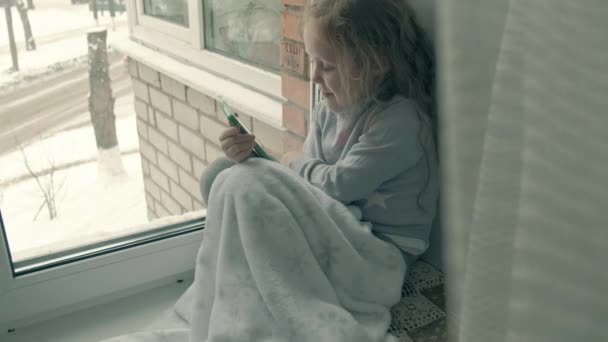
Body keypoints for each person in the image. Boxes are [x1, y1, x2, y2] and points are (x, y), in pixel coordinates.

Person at [196, 0, 438, 341]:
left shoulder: (400, 121)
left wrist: (286, 164)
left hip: (379, 256)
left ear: (376, 64)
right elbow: (310, 186)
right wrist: (262, 161)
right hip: (343, 226)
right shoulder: (329, 110)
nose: (314, 77)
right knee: (222, 174)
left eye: (327, 66)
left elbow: (336, 186)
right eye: (313, 62)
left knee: (251, 186)